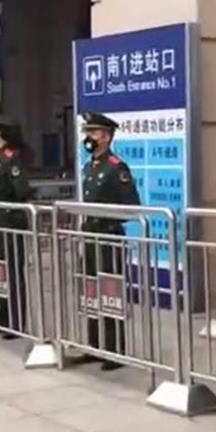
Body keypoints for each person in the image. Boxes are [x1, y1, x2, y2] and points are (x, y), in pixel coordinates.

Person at [79, 112, 140, 371]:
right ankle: (95, 345)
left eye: (92, 133)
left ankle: (115, 350)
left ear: (105, 137)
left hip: (108, 237)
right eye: (87, 133)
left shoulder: (117, 168)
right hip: (89, 236)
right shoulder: (89, 167)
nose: (87, 138)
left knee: (110, 291)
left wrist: (108, 217)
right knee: (91, 291)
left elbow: (132, 206)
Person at [0, 109, 33, 339]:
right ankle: (2, 315)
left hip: (10, 224)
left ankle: (16, 320)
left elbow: (22, 190)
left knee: (12, 273)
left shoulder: (12, 159)